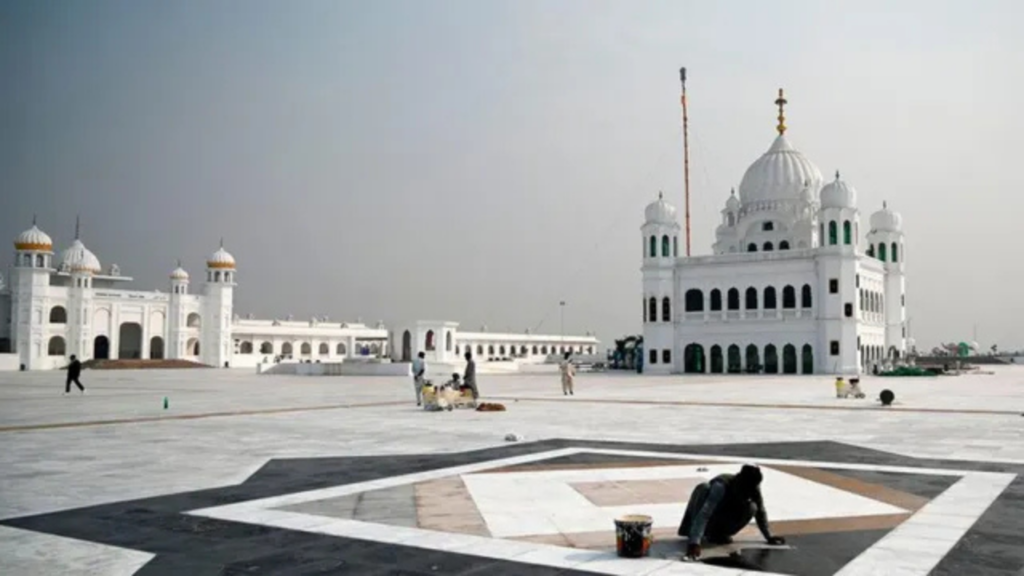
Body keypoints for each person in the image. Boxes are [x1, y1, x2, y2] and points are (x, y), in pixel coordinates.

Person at [678, 464, 785, 560]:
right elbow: (705, 513)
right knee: (703, 488)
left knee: (752, 507)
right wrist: (694, 542)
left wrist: (768, 536)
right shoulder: (721, 486)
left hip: (723, 518)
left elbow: (760, 512)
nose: (747, 492)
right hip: (710, 515)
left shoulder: (753, 488)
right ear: (739, 481)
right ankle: (695, 532)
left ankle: (718, 534)